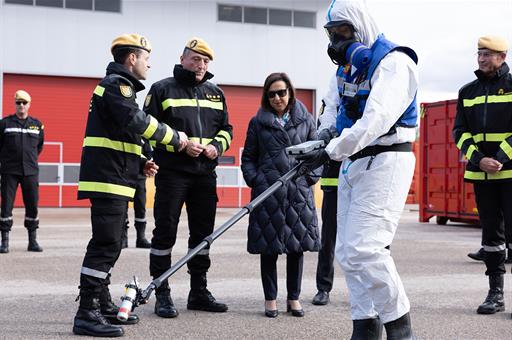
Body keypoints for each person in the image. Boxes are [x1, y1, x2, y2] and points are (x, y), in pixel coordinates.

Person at [297, 0, 418, 337]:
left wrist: (331, 151)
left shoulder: (394, 62)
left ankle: (400, 327)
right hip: (353, 161)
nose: (337, 43)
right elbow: (332, 108)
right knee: (348, 253)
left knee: (367, 247)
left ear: (361, 27)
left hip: (387, 158)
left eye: (343, 33)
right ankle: (365, 324)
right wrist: (322, 136)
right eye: (332, 35)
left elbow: (375, 120)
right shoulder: (345, 70)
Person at [72, 34, 187, 337]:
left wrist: (139, 162)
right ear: (131, 58)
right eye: (146, 58)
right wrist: (175, 138)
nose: (149, 64)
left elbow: (121, 135)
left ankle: (101, 302)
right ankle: (87, 312)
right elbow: (137, 122)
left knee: (110, 245)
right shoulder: (116, 86)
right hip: (108, 179)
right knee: (105, 245)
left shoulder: (120, 89)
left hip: (117, 177)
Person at [144, 37, 232, 318]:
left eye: (205, 61)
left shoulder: (216, 93)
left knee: (203, 236)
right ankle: (162, 292)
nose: (201, 65)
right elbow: (147, 128)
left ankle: (198, 292)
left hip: (205, 175)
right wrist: (178, 145)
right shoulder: (161, 89)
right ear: (183, 59)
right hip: (172, 174)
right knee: (165, 233)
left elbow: (227, 130)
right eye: (195, 59)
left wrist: (215, 147)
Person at [241, 72, 320, 318]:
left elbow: (317, 154)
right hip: (269, 194)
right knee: (269, 249)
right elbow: (249, 158)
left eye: (282, 92)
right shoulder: (258, 122)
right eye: (272, 93)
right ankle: (270, 299)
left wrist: (308, 179)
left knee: (297, 248)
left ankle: (294, 298)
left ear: (290, 93)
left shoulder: (306, 120)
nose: (277, 98)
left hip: (298, 193)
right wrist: (257, 181)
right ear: (266, 96)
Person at [453, 35, 512, 316]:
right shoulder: (467, 92)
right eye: (479, 53)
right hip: (482, 176)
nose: (481, 59)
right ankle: (495, 294)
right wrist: (479, 159)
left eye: (487, 54)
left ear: (502, 56)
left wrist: (499, 158)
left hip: (509, 174)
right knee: (491, 238)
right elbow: (459, 132)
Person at [0, 90, 44, 254]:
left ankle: (32, 241)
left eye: (24, 103)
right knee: (6, 206)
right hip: (9, 171)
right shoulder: (5, 124)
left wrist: (29, 159)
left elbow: (39, 146)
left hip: (30, 171)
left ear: (29, 105)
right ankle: (4, 242)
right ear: (15, 104)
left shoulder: (37, 125)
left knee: (32, 206)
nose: (21, 106)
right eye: (18, 102)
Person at [312, 99, 341, 306]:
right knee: (328, 239)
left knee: (367, 241)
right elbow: (321, 131)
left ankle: (370, 291)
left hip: (362, 178)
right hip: (333, 180)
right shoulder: (330, 103)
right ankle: (323, 288)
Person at [121, 138, 152, 249]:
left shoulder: (144, 138)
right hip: (124, 176)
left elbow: (149, 154)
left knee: (140, 207)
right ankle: (123, 238)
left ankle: (141, 238)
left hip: (140, 178)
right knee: (122, 207)